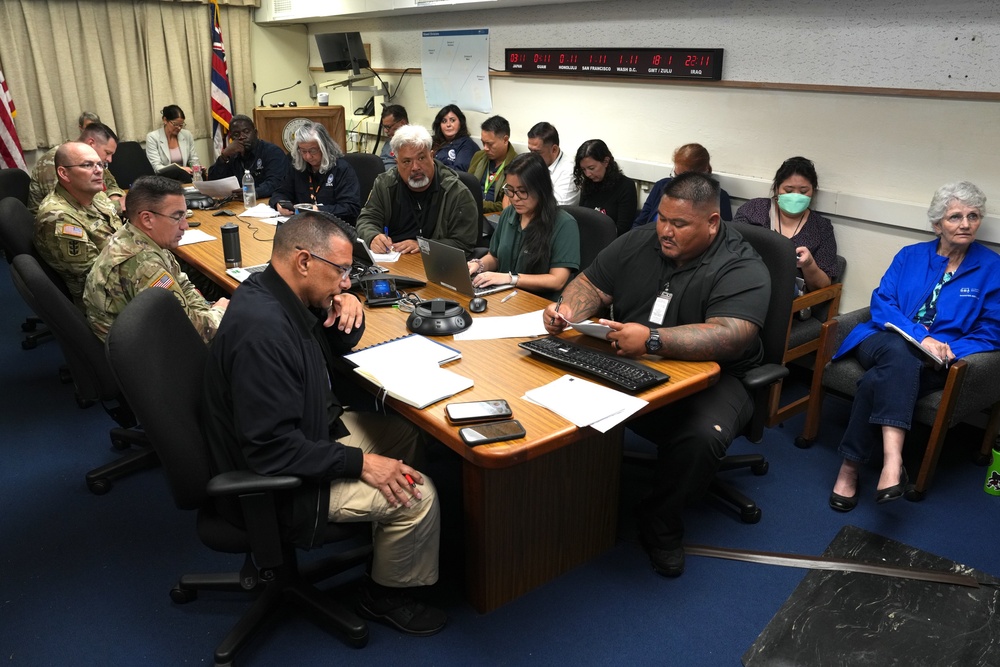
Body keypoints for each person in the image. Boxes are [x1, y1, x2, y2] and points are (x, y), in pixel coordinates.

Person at [201, 210, 446, 636]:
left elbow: (329, 348)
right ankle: (382, 594)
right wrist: (362, 465)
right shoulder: (264, 333)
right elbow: (270, 450)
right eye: (342, 271)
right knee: (421, 494)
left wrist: (344, 305)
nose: (348, 281)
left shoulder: (276, 292)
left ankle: (393, 541)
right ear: (303, 261)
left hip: (309, 432)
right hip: (281, 484)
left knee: (406, 432)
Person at [542, 172, 769, 577]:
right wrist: (565, 311)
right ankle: (567, 493)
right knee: (552, 369)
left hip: (718, 376)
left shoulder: (741, 265)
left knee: (701, 436)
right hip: (634, 354)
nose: (665, 230)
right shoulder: (641, 240)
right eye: (663, 217)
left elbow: (732, 334)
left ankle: (661, 523)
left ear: (713, 223)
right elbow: (591, 283)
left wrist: (652, 341)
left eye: (679, 224)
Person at [828, 182, 1000, 512]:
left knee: (876, 381)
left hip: (938, 358)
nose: (965, 224)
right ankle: (893, 461)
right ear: (937, 224)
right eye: (955, 217)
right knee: (899, 352)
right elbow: (882, 304)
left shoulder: (993, 269)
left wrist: (950, 350)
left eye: (973, 216)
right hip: (880, 339)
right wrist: (921, 337)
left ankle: (850, 468)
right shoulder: (910, 256)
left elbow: (993, 331)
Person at [83, 175, 228, 343]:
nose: (185, 225)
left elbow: (184, 286)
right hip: (143, 357)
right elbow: (190, 333)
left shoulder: (138, 236)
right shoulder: (143, 264)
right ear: (147, 219)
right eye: (177, 217)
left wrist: (205, 313)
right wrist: (219, 312)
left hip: (145, 338)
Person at [467, 153, 580, 301]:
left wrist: (510, 279)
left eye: (522, 191)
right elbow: (495, 257)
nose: (514, 198)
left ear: (541, 189)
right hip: (504, 297)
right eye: (510, 190)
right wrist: (479, 265)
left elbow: (557, 281)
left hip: (538, 303)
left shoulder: (564, 224)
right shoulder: (509, 214)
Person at [355, 125, 479, 257]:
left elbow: (463, 243)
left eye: (421, 158)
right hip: (393, 259)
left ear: (431, 156)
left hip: (436, 264)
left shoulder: (456, 192)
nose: (415, 167)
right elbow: (367, 219)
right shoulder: (385, 184)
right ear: (397, 163)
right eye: (407, 161)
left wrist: (423, 246)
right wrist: (373, 236)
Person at [34, 141, 124, 307]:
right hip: (103, 299)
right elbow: (95, 276)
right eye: (88, 165)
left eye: (100, 164)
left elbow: (120, 232)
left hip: (121, 269)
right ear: (64, 173)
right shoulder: (58, 217)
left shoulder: (95, 194)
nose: (99, 170)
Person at [733, 156, 837, 292]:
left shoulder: (821, 228)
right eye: (788, 190)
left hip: (788, 301)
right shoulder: (753, 209)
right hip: (743, 284)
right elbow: (730, 247)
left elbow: (824, 285)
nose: (795, 195)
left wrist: (808, 264)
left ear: (813, 192)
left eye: (804, 191)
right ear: (777, 189)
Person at [268, 121, 361, 225]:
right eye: (303, 151)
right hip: (303, 225)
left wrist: (319, 210)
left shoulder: (342, 169)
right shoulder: (298, 167)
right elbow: (280, 192)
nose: (307, 157)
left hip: (333, 227)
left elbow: (351, 208)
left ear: (325, 147)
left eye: (312, 151)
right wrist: (278, 204)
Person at [28, 122, 124, 215]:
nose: (110, 159)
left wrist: (114, 196)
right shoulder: (57, 160)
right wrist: (117, 205)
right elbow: (70, 205)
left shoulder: (93, 161)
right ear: (91, 143)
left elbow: (110, 184)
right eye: (107, 153)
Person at [633, 144, 732, 227]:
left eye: (683, 178)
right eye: (676, 175)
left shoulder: (718, 198)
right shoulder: (662, 186)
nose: (677, 182)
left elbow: (721, 237)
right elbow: (639, 224)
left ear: (701, 174)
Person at [207, 114, 287, 199]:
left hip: (266, 202)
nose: (242, 137)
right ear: (232, 138)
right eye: (236, 134)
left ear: (255, 133)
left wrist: (253, 192)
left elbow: (276, 182)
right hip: (238, 204)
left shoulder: (272, 152)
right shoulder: (232, 155)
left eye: (246, 132)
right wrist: (223, 157)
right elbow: (213, 182)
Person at [574, 139, 637, 237]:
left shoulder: (626, 186)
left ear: (606, 162)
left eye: (591, 168)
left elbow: (623, 229)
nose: (587, 174)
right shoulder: (588, 184)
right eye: (583, 169)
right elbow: (581, 218)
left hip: (611, 243)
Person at [468, 115, 518, 215]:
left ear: (505, 140)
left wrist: (480, 204)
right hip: (470, 210)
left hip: (493, 215)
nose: (485, 148)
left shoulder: (517, 166)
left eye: (490, 144)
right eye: (483, 143)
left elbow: (507, 204)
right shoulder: (479, 157)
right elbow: (466, 187)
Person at [526, 122, 579, 206]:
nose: (532, 156)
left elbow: (558, 208)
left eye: (537, 152)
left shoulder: (569, 171)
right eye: (530, 150)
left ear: (554, 149)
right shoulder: (533, 162)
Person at [145, 104, 201, 174]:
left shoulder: (187, 135)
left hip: (186, 177)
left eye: (181, 125)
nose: (179, 128)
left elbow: (193, 159)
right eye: (175, 124)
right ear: (165, 120)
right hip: (164, 179)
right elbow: (157, 168)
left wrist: (197, 169)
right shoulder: (153, 137)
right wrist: (181, 169)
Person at [431, 104, 477, 172]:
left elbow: (460, 172)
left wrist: (434, 166)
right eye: (444, 121)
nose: (448, 125)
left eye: (452, 120)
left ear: (460, 123)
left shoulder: (466, 144)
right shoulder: (433, 141)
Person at [378, 104, 408, 169]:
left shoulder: (413, 143)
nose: (385, 131)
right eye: (384, 127)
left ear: (402, 123)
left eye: (388, 127)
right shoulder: (390, 140)